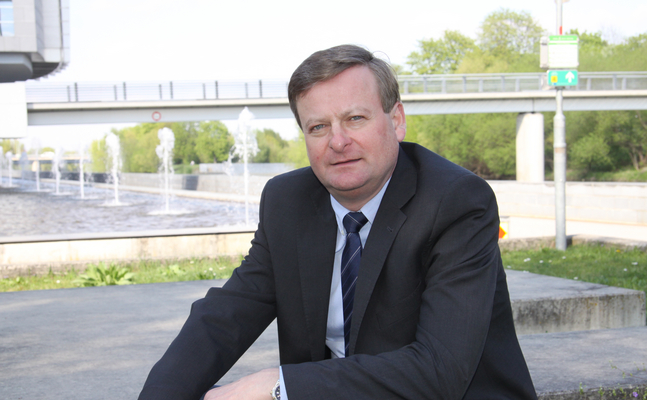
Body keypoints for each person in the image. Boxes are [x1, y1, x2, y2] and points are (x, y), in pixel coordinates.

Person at [139, 44, 537, 400]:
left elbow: (439, 370)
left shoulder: (455, 202)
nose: (338, 141)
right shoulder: (287, 201)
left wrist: (278, 385)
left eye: (355, 118)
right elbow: (224, 317)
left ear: (396, 120)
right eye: (318, 127)